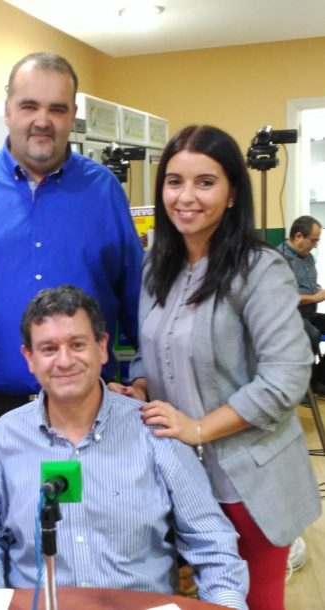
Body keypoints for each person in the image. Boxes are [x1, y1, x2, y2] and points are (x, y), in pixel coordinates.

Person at [0, 52, 144, 505]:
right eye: (29, 106)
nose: (42, 121)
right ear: (8, 111)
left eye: (57, 109)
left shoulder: (103, 192)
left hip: (85, 415)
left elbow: (137, 299)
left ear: (72, 117)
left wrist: (141, 376)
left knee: (80, 536)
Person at [0, 285, 249, 609]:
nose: (64, 361)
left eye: (77, 345)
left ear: (102, 347)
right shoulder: (4, 439)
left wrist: (226, 603)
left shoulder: (155, 432)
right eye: (49, 349)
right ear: (30, 358)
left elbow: (212, 542)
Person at [124, 125, 321, 610]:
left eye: (205, 182)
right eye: (174, 182)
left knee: (255, 601)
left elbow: (286, 378)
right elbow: (151, 348)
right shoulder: (156, 266)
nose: (186, 196)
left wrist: (198, 428)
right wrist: (140, 385)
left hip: (246, 478)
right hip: (177, 476)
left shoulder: (260, 270)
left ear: (232, 193)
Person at [277, 215, 325, 364]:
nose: (315, 246)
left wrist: (317, 289)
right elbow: (282, 298)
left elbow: (308, 284)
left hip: (309, 314)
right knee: (312, 335)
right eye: (313, 241)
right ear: (299, 236)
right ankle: (309, 375)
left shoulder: (308, 256)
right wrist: (314, 298)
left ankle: (321, 371)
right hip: (290, 318)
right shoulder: (279, 260)